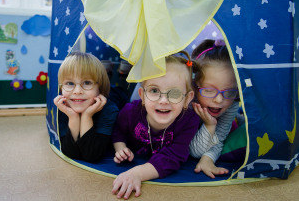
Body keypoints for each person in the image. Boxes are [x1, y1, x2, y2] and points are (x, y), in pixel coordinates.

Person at [111, 52, 199, 199]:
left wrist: (137, 173)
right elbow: (118, 131)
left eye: (174, 93)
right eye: (154, 90)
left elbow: (173, 157)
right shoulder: (130, 112)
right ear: (142, 96)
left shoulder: (189, 121)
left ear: (187, 99)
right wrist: (120, 148)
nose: (163, 100)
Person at [54, 52, 119, 163]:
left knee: (121, 93)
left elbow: (92, 155)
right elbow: (71, 153)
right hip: (90, 98)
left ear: (100, 88)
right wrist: (73, 117)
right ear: (61, 89)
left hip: (117, 96)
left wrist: (86, 117)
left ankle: (115, 74)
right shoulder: (62, 108)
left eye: (87, 82)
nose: (78, 91)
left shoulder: (110, 110)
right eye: (69, 83)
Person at [189, 39, 240, 178]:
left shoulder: (232, 103)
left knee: (234, 126)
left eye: (229, 91)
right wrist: (209, 125)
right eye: (210, 90)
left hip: (225, 122)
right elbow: (193, 151)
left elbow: (220, 139)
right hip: (201, 129)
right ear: (194, 86)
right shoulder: (186, 102)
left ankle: (239, 120)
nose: (219, 100)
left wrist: (208, 158)